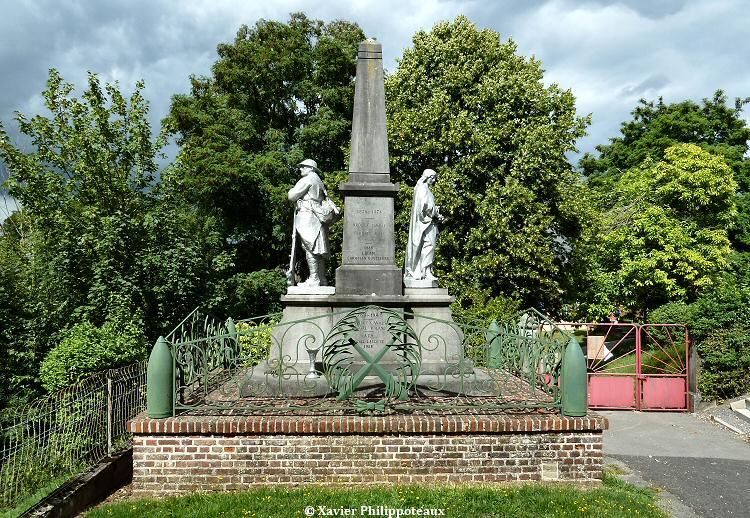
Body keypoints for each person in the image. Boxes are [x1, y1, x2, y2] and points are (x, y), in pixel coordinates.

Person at [405, 168, 442, 281]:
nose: (434, 180)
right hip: (426, 223)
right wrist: (436, 213)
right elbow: (424, 207)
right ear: (427, 177)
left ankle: (426, 270)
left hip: (427, 222)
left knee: (428, 246)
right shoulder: (422, 189)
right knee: (429, 246)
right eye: (432, 178)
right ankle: (425, 271)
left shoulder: (423, 189)